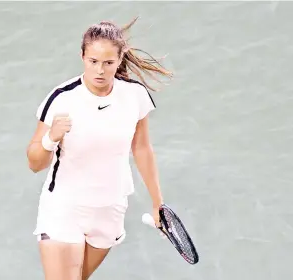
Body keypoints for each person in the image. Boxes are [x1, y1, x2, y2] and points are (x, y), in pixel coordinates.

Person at [26, 17, 173, 280]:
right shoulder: (62, 98)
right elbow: (34, 163)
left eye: (108, 63)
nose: (100, 71)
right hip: (64, 206)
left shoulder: (134, 95)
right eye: (93, 61)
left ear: (120, 59)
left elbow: (141, 149)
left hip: (110, 209)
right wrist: (51, 138)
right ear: (82, 56)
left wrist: (157, 204)